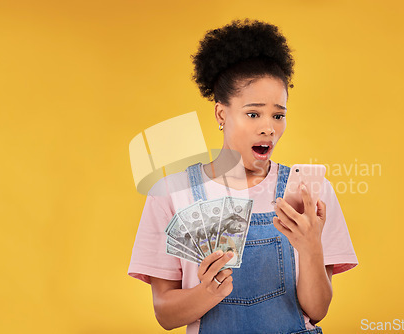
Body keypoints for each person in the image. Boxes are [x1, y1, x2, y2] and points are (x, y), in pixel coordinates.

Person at [128, 19, 358, 333]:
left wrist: (310, 247)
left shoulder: (308, 191)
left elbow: (317, 311)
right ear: (222, 114)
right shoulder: (171, 193)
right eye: (253, 113)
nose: (269, 127)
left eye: (278, 115)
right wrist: (206, 292)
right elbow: (166, 316)